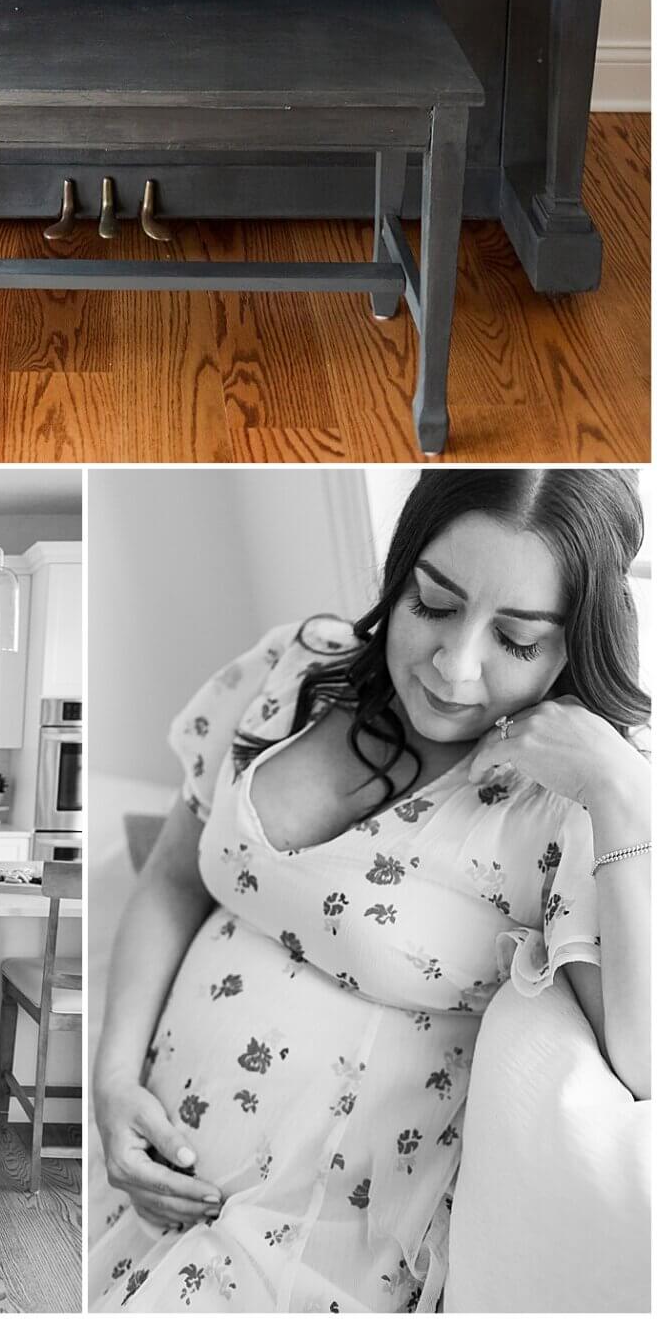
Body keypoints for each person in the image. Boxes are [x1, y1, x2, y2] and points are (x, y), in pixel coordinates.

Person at [92, 468, 650, 1314]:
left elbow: (643, 1060)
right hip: (138, 1181)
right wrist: (112, 1083)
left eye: (518, 640)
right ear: (399, 575)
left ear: (577, 642)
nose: (455, 668)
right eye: (432, 604)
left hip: (315, 1256)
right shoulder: (293, 667)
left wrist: (618, 789)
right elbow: (173, 879)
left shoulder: (565, 805)